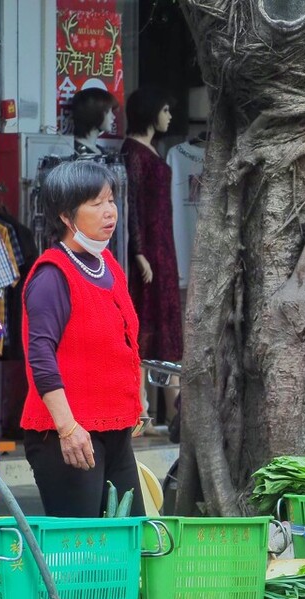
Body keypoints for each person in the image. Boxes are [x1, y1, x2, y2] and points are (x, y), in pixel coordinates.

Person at [21, 159, 214, 599]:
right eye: (96, 204)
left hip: (110, 428)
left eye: (111, 201)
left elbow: (120, 345)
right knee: (79, 545)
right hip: (66, 434)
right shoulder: (51, 275)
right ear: (65, 215)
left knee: (133, 537)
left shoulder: (110, 268)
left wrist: (132, 408)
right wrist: (67, 427)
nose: (109, 213)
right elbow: (40, 357)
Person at [121, 87, 184, 434]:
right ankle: (140, 410)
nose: (169, 117)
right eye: (164, 109)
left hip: (164, 248)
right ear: (149, 112)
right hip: (147, 253)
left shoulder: (153, 150)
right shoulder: (132, 153)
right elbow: (130, 205)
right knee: (144, 328)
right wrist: (139, 252)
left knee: (166, 329)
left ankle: (174, 412)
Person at [71, 88, 118, 159]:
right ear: (94, 113)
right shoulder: (73, 152)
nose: (113, 117)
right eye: (109, 111)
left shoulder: (101, 151)